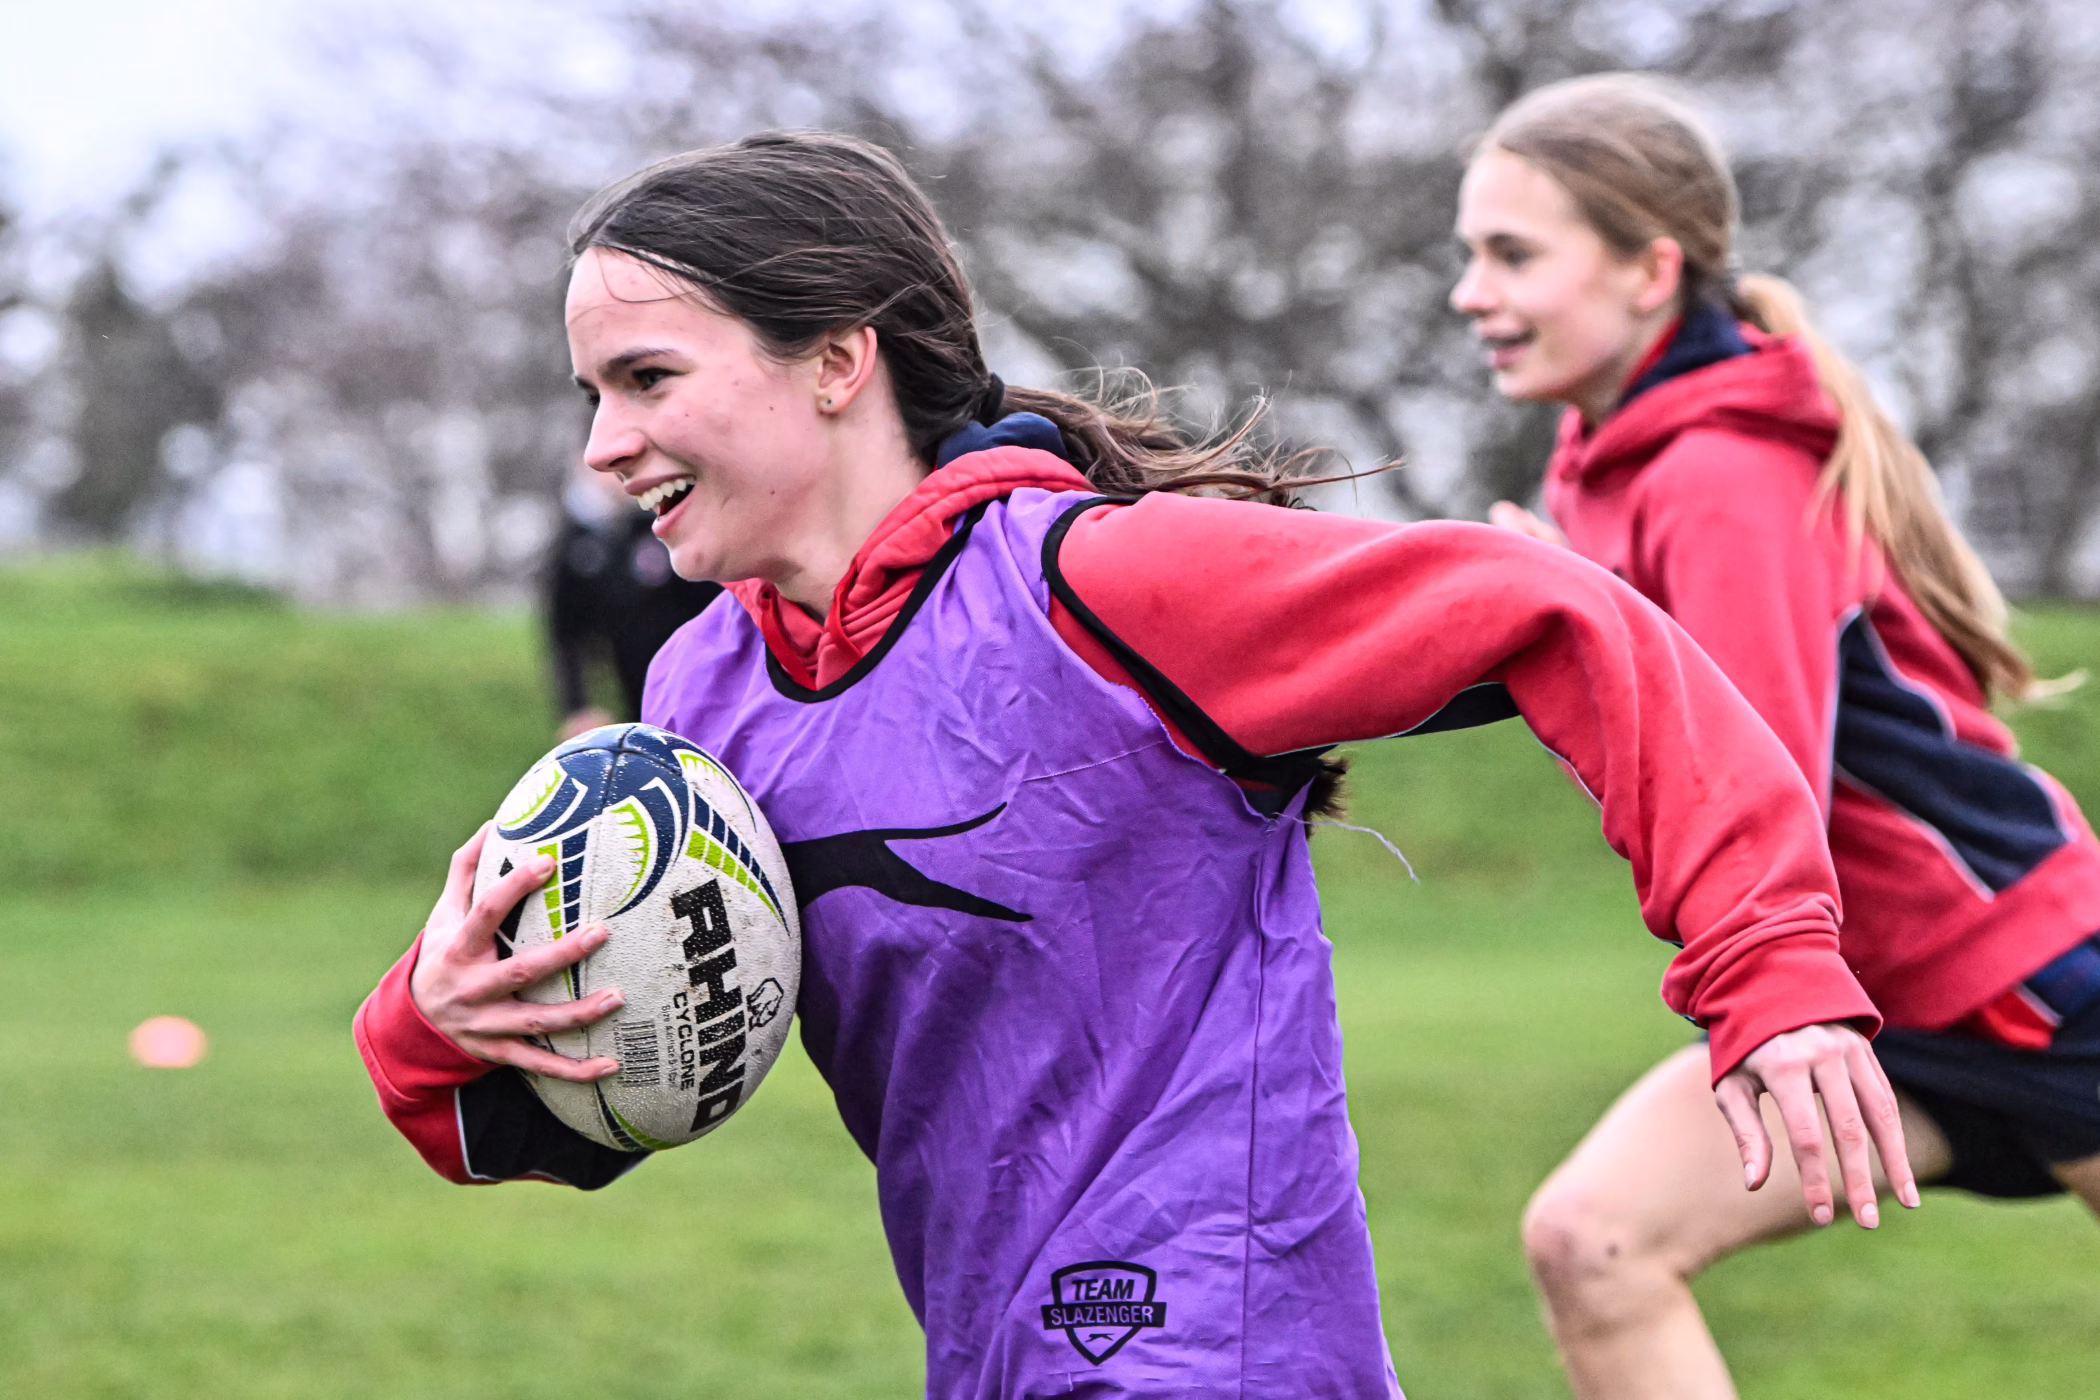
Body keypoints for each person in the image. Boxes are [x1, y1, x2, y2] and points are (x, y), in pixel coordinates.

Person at [355, 130, 1914, 1400]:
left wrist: (1766, 965)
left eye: (648, 380)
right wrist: (437, 1020)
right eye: (592, 395)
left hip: (1219, 1346)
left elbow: (1564, 613)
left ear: (834, 361)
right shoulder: (703, 700)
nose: (603, 448)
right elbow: (584, 1111)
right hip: (989, 1351)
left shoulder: (1102, 584)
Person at [1453, 73, 2100, 1400]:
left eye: (1513, 255)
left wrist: (1567, 633)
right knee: (1596, 1243)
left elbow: (1751, 790)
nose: (1472, 293)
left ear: (1651, 271)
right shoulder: (1603, 456)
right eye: (1470, 255)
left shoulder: (1721, 475)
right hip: (1869, 999)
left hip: (2023, 980)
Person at [545, 458, 723, 738]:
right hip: (636, 700)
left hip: (701, 691)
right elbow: (566, 631)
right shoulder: (578, 540)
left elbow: (717, 609)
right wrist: (579, 706)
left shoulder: (670, 522)